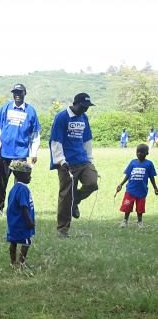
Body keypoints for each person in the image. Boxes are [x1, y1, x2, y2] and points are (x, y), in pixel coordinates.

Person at [49, 92, 99, 238]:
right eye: (83, 106)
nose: (86, 109)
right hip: (67, 163)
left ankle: (75, 200)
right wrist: (61, 161)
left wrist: (89, 159)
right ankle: (62, 230)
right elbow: (56, 140)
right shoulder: (62, 117)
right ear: (75, 103)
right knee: (65, 195)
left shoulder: (84, 118)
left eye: (88, 107)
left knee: (92, 182)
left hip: (83, 160)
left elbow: (87, 140)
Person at [0, 83, 41, 216]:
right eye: (15, 93)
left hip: (20, 154)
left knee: (19, 185)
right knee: (0, 183)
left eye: (20, 93)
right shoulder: (5, 108)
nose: (17, 95)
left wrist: (34, 153)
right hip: (4, 153)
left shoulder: (30, 111)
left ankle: (16, 209)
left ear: (25, 93)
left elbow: (35, 135)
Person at [115, 143, 158, 229]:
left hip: (142, 191)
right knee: (127, 206)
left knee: (140, 208)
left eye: (142, 152)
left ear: (147, 153)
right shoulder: (133, 162)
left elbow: (151, 177)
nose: (139, 154)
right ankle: (125, 221)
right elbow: (128, 175)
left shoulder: (149, 164)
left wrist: (155, 188)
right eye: (138, 152)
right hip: (130, 190)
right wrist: (121, 184)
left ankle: (140, 222)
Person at [5, 160, 35, 270]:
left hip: (13, 222)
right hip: (22, 222)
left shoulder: (14, 188)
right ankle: (22, 263)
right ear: (20, 175)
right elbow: (24, 206)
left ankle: (13, 263)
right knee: (26, 242)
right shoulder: (23, 189)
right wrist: (29, 221)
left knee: (13, 242)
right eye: (28, 175)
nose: (30, 177)